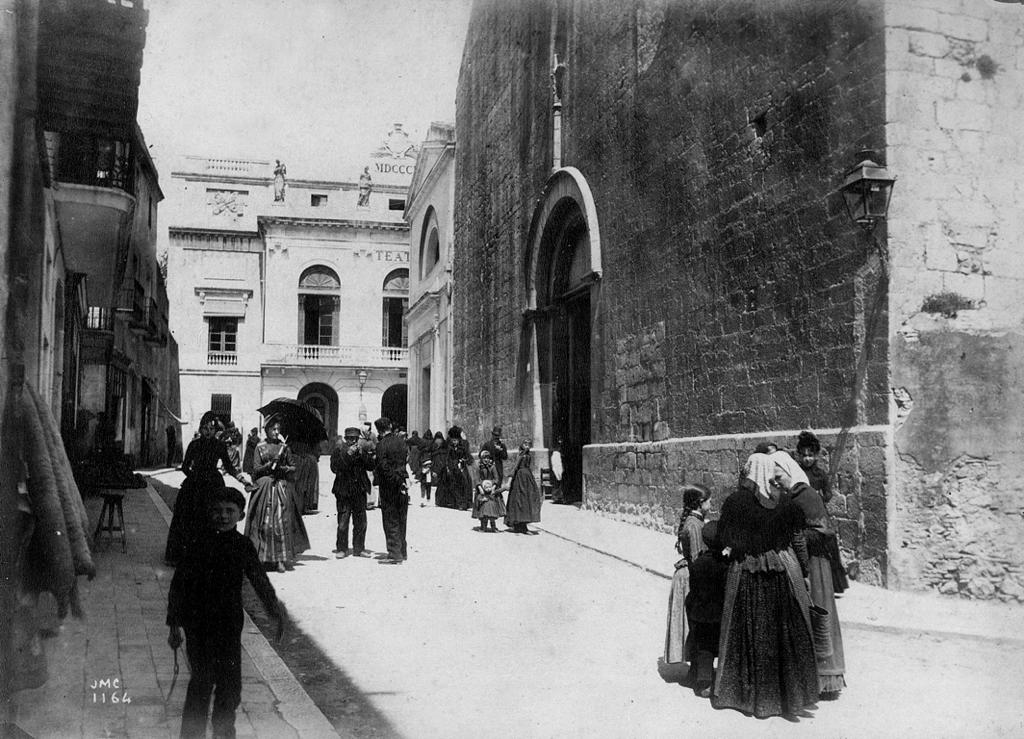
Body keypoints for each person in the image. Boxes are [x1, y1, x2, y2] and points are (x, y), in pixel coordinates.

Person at [167, 485, 285, 739]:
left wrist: (274, 611)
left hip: (229, 624)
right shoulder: (197, 542)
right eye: (217, 511)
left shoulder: (243, 546)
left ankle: (224, 733)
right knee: (201, 683)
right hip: (197, 625)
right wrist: (174, 624)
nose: (223, 516)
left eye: (229, 511)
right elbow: (179, 583)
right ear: (209, 513)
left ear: (241, 515)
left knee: (230, 687)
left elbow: (259, 580)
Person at [712, 451, 818, 718]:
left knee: (748, 630)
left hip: (747, 572)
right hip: (780, 572)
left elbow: (723, 536)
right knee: (782, 633)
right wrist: (803, 570)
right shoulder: (785, 503)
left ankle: (745, 694)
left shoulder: (736, 502)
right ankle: (786, 696)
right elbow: (796, 540)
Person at [777, 450, 847, 699]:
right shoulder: (792, 495)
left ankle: (825, 680)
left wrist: (793, 538)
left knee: (818, 614)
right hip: (805, 561)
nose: (777, 483)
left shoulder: (805, 495)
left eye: (779, 477)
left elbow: (821, 531)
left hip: (816, 565)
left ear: (789, 473)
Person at [164, 411, 240, 566]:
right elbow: (185, 467)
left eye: (211, 429)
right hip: (194, 487)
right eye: (205, 428)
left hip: (213, 485)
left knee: (214, 520)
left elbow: (229, 467)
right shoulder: (194, 445)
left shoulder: (219, 446)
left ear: (215, 430)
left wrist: (243, 481)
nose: (208, 432)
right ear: (200, 428)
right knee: (189, 519)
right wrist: (194, 477)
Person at [244, 419, 310, 572]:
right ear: (266, 430)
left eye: (278, 429)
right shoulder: (260, 447)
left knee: (281, 523)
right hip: (264, 488)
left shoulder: (284, 448)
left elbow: (293, 467)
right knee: (264, 523)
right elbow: (255, 470)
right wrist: (268, 465)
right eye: (273, 429)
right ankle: (262, 558)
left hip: (280, 487)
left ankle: (280, 559)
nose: (276, 432)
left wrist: (283, 467)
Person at [664, 485, 712, 670]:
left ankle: (696, 669)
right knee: (694, 624)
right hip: (690, 577)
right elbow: (696, 558)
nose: (711, 504)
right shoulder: (693, 525)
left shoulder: (694, 521)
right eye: (709, 500)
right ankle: (698, 670)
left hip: (689, 574)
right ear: (700, 504)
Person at [795, 430, 848, 594]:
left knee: (826, 545)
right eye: (803, 455)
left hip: (819, 515)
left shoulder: (820, 474)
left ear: (816, 455)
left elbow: (828, 493)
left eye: (810, 455)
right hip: (802, 515)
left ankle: (832, 584)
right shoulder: (797, 472)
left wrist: (820, 497)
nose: (807, 459)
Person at [686, 521, 728, 698]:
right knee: (718, 645)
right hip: (718, 614)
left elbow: (693, 587)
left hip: (700, 613)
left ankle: (704, 682)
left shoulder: (697, 564)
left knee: (704, 648)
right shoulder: (725, 565)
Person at [331, 427, 375, 559]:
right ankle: (342, 548)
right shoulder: (339, 450)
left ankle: (359, 548)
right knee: (343, 521)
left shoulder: (361, 451)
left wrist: (363, 455)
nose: (352, 441)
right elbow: (334, 467)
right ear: (346, 439)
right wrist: (348, 454)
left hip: (359, 490)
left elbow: (371, 465)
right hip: (343, 490)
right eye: (350, 438)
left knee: (361, 521)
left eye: (355, 439)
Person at [373, 417, 409, 564]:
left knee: (390, 519)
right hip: (402, 482)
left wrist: (393, 479)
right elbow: (405, 459)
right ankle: (402, 551)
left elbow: (382, 466)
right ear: (389, 426)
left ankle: (395, 554)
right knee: (402, 518)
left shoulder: (381, 445)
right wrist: (400, 479)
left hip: (389, 485)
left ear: (379, 430)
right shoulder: (401, 441)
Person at [504, 440, 542, 534]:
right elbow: (515, 468)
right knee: (520, 500)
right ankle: (519, 525)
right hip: (519, 479)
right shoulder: (521, 456)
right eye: (525, 444)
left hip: (527, 478)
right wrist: (509, 482)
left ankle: (523, 524)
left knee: (528, 500)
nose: (527, 446)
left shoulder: (528, 456)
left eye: (529, 445)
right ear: (521, 445)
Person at [288, 438, 321, 515]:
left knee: (306, 485)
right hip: (298, 461)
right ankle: (301, 506)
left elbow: (317, 451)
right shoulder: (293, 438)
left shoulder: (311, 439)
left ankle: (305, 505)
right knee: (300, 484)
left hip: (306, 461)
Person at [549, 438, 564, 503]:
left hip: (558, 471)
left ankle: (559, 498)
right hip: (556, 471)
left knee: (559, 485)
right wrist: (557, 473)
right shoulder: (556, 454)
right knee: (556, 485)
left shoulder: (558, 454)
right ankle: (556, 498)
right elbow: (555, 465)